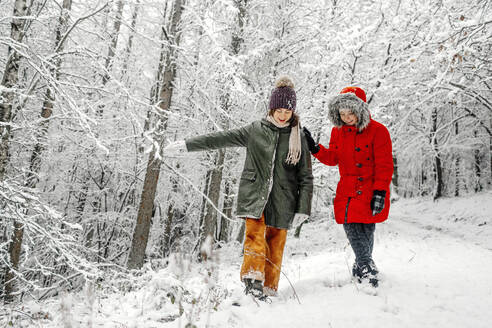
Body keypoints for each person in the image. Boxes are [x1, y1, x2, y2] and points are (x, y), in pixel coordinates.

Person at [165, 76, 313, 299]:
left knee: (275, 243)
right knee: (254, 236)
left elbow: (306, 176)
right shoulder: (255, 130)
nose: (283, 116)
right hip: (255, 196)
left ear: (293, 112)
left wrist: (303, 207)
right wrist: (187, 145)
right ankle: (253, 282)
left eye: (287, 111)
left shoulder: (299, 137)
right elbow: (221, 138)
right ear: (272, 109)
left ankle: (269, 290)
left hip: (284, 199)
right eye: (279, 110)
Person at [303, 86, 393, 287]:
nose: (346, 118)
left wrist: (380, 191)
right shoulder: (338, 132)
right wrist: (314, 148)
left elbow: (385, 164)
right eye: (341, 114)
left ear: (360, 110)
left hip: (371, 188)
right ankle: (367, 268)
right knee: (350, 224)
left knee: (367, 228)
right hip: (348, 189)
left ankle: (359, 267)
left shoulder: (379, 131)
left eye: (350, 113)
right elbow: (333, 158)